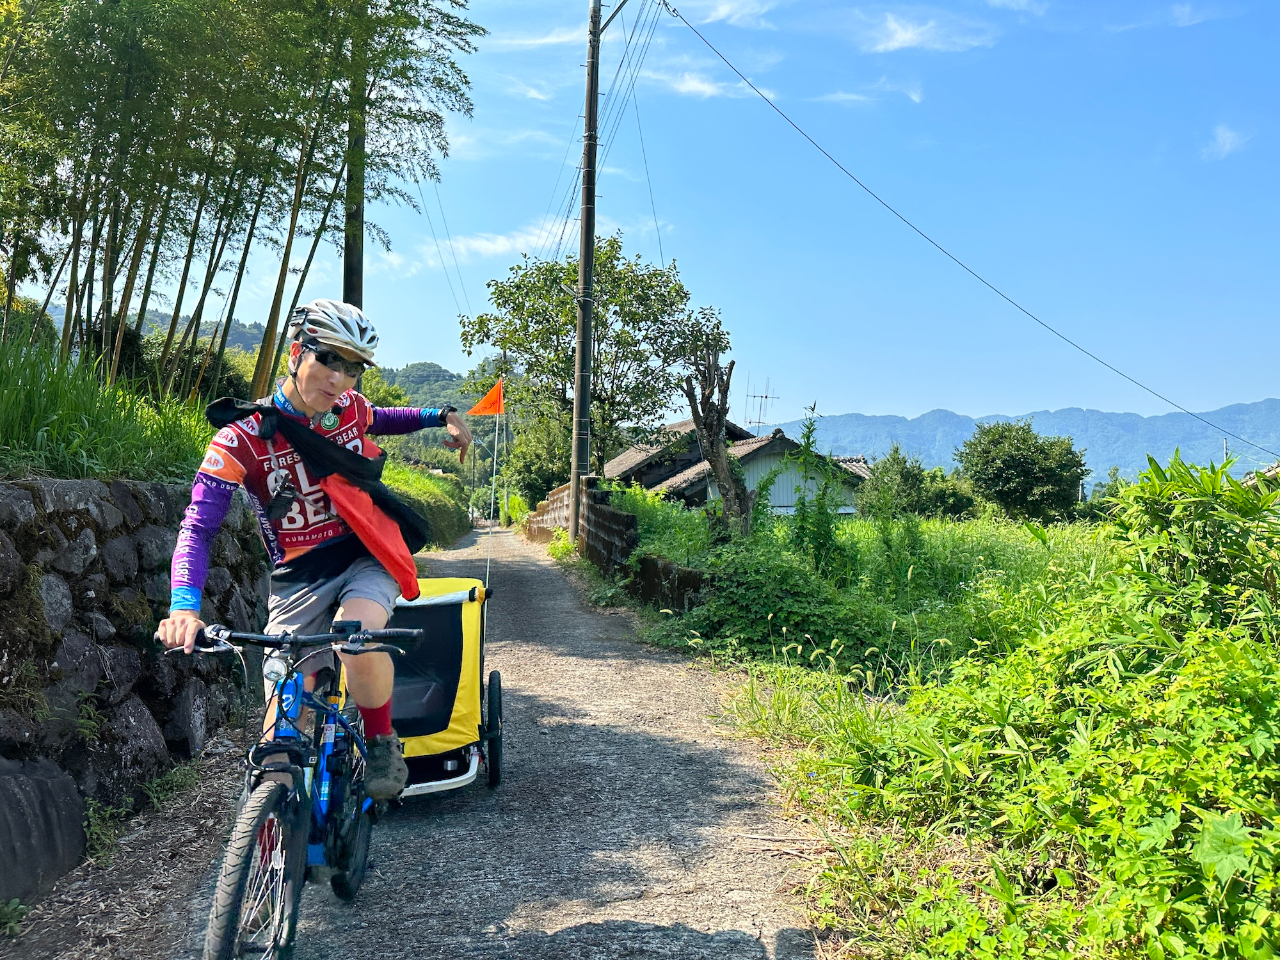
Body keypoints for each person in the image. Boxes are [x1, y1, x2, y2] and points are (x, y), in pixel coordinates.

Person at [156, 300, 472, 799]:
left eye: (353, 368)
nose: (340, 380)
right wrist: (183, 608)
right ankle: (281, 844)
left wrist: (442, 415)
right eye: (329, 360)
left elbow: (384, 417)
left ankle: (382, 738)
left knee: (357, 636)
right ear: (295, 354)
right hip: (297, 579)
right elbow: (197, 528)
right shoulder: (240, 440)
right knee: (279, 741)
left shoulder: (347, 413)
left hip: (362, 555)